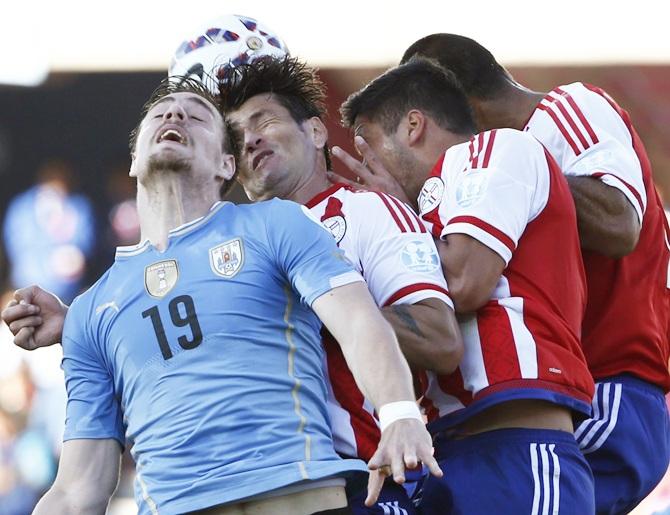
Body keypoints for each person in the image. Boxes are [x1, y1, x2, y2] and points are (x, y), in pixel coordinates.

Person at [4, 77, 440, 515]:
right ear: (134, 161)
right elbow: (78, 487)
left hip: (297, 498)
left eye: (196, 117)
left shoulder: (277, 225)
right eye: (160, 115)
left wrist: (399, 412)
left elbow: (359, 322)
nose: (175, 116)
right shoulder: (90, 312)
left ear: (227, 164)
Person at [334, 33, 670, 515]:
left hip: (610, 384)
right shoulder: (472, 177)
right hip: (562, 387)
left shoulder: (564, 111)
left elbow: (621, 223)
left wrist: (513, 174)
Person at [218, 55, 462, 514]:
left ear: (315, 131)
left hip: (359, 481)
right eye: (235, 136)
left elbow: (439, 337)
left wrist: (320, 305)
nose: (249, 138)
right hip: (256, 491)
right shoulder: (226, 250)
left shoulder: (366, 211)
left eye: (264, 121)